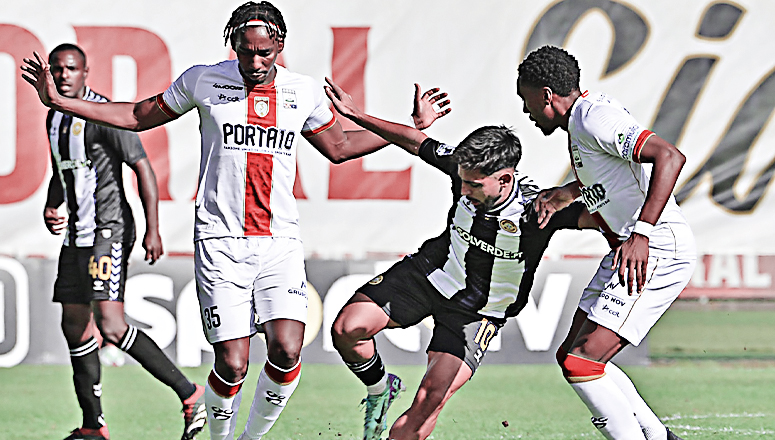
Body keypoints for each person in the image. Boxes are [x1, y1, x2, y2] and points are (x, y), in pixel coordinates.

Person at [22, 3, 447, 439]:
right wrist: (59, 101)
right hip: (220, 241)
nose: (255, 62)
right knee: (232, 363)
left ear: (280, 45)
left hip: (279, 243)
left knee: (287, 349)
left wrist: (409, 129)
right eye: (246, 51)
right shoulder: (203, 80)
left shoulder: (302, 91)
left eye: (265, 53)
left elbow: (339, 147)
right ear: (234, 46)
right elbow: (136, 116)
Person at [325, 78, 599, 440]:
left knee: (428, 400)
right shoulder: (463, 167)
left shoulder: (539, 211)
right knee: (347, 329)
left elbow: (608, 216)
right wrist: (357, 115)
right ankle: (380, 390)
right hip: (429, 276)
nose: (464, 191)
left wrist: (639, 233)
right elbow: (414, 141)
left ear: (505, 179)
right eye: (463, 182)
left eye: (474, 185)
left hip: (477, 313)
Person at [516, 45, 696, 440]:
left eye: (525, 99)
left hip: (655, 249)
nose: (526, 111)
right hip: (627, 250)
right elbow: (615, 174)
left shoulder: (593, 118)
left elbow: (670, 156)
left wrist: (642, 233)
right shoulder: (584, 120)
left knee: (583, 364)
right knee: (572, 356)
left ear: (546, 95)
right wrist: (567, 192)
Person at [40, 43, 206, 440]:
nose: (63, 75)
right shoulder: (54, 117)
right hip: (76, 236)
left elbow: (142, 168)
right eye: (57, 69)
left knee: (111, 327)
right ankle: (92, 426)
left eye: (71, 69)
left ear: (85, 73)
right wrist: (52, 204)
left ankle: (190, 394)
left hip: (108, 230)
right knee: (74, 326)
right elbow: (62, 170)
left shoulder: (102, 115)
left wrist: (153, 229)